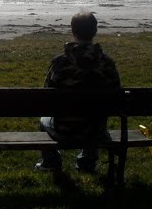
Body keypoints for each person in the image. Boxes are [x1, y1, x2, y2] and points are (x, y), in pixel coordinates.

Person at [35, 12, 122, 173]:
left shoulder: (60, 63)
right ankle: (87, 163)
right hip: (95, 130)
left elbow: (46, 96)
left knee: (43, 120)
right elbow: (117, 95)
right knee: (96, 113)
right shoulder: (107, 64)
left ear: (73, 32)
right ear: (94, 32)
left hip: (63, 128)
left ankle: (51, 161)